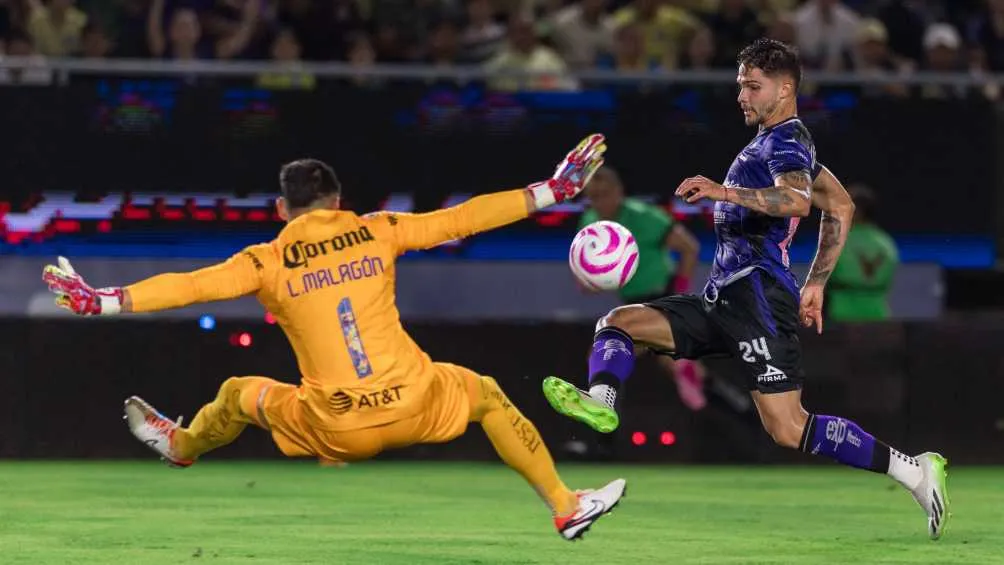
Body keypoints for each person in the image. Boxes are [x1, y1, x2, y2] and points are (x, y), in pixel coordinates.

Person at [41, 135, 626, 541]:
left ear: (281, 208)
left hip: (335, 424)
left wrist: (106, 300)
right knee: (488, 395)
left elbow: (192, 287)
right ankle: (565, 507)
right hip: (416, 400)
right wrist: (552, 189)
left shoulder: (266, 260)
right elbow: (463, 218)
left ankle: (184, 447)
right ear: (339, 202)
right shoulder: (378, 231)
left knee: (240, 393)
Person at [541, 39, 950, 539]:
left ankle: (913, 471)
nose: (742, 95)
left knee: (787, 427)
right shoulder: (774, 143)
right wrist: (817, 282)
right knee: (620, 323)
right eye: (740, 85)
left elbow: (798, 202)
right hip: (724, 296)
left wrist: (723, 191)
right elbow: (838, 206)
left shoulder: (786, 142)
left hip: (757, 297)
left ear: (785, 88)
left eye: (752, 86)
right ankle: (602, 401)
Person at [579, 167, 706, 411]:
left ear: (619, 191)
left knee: (606, 355)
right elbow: (586, 280)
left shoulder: (644, 216)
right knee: (676, 365)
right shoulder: (590, 223)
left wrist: (678, 296)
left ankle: (600, 436)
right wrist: (593, 280)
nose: (599, 202)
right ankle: (744, 417)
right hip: (631, 301)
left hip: (662, 297)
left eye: (605, 194)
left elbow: (689, 247)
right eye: (593, 196)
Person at [826, 183, 899, 322]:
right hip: (879, 319)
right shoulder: (887, 244)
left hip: (843, 320)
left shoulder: (835, 241)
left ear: (856, 211)